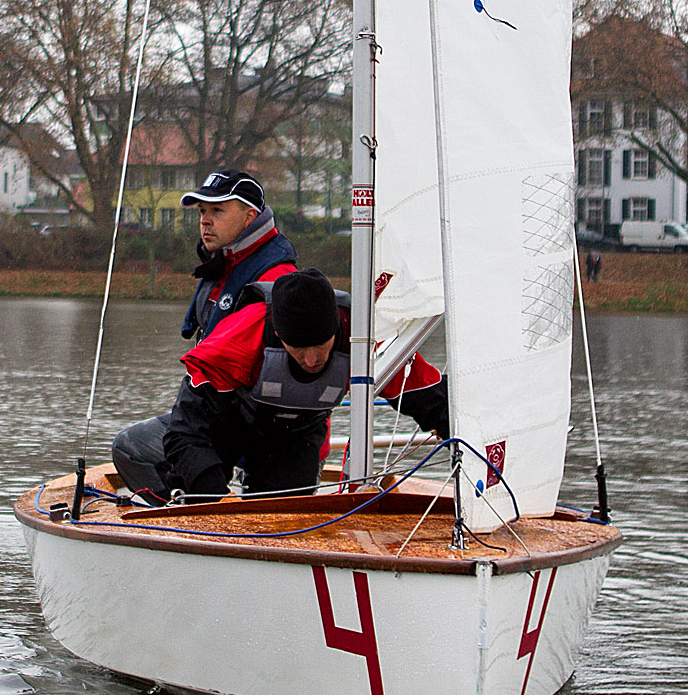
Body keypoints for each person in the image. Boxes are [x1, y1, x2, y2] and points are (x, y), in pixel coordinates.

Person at [123, 268, 450, 502]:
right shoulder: (237, 339)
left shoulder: (365, 338)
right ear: (278, 333)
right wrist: (214, 502)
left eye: (321, 345)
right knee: (131, 448)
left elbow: (432, 401)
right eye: (298, 348)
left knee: (280, 513)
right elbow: (186, 433)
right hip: (226, 427)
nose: (311, 360)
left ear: (338, 326)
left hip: (296, 439)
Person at [111, 168, 296, 497]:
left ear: (249, 216)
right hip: (224, 417)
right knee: (168, 441)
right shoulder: (225, 266)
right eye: (202, 212)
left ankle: (194, 520)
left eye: (218, 210)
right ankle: (191, 514)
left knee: (131, 446)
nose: (205, 221)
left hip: (262, 430)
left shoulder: (276, 280)